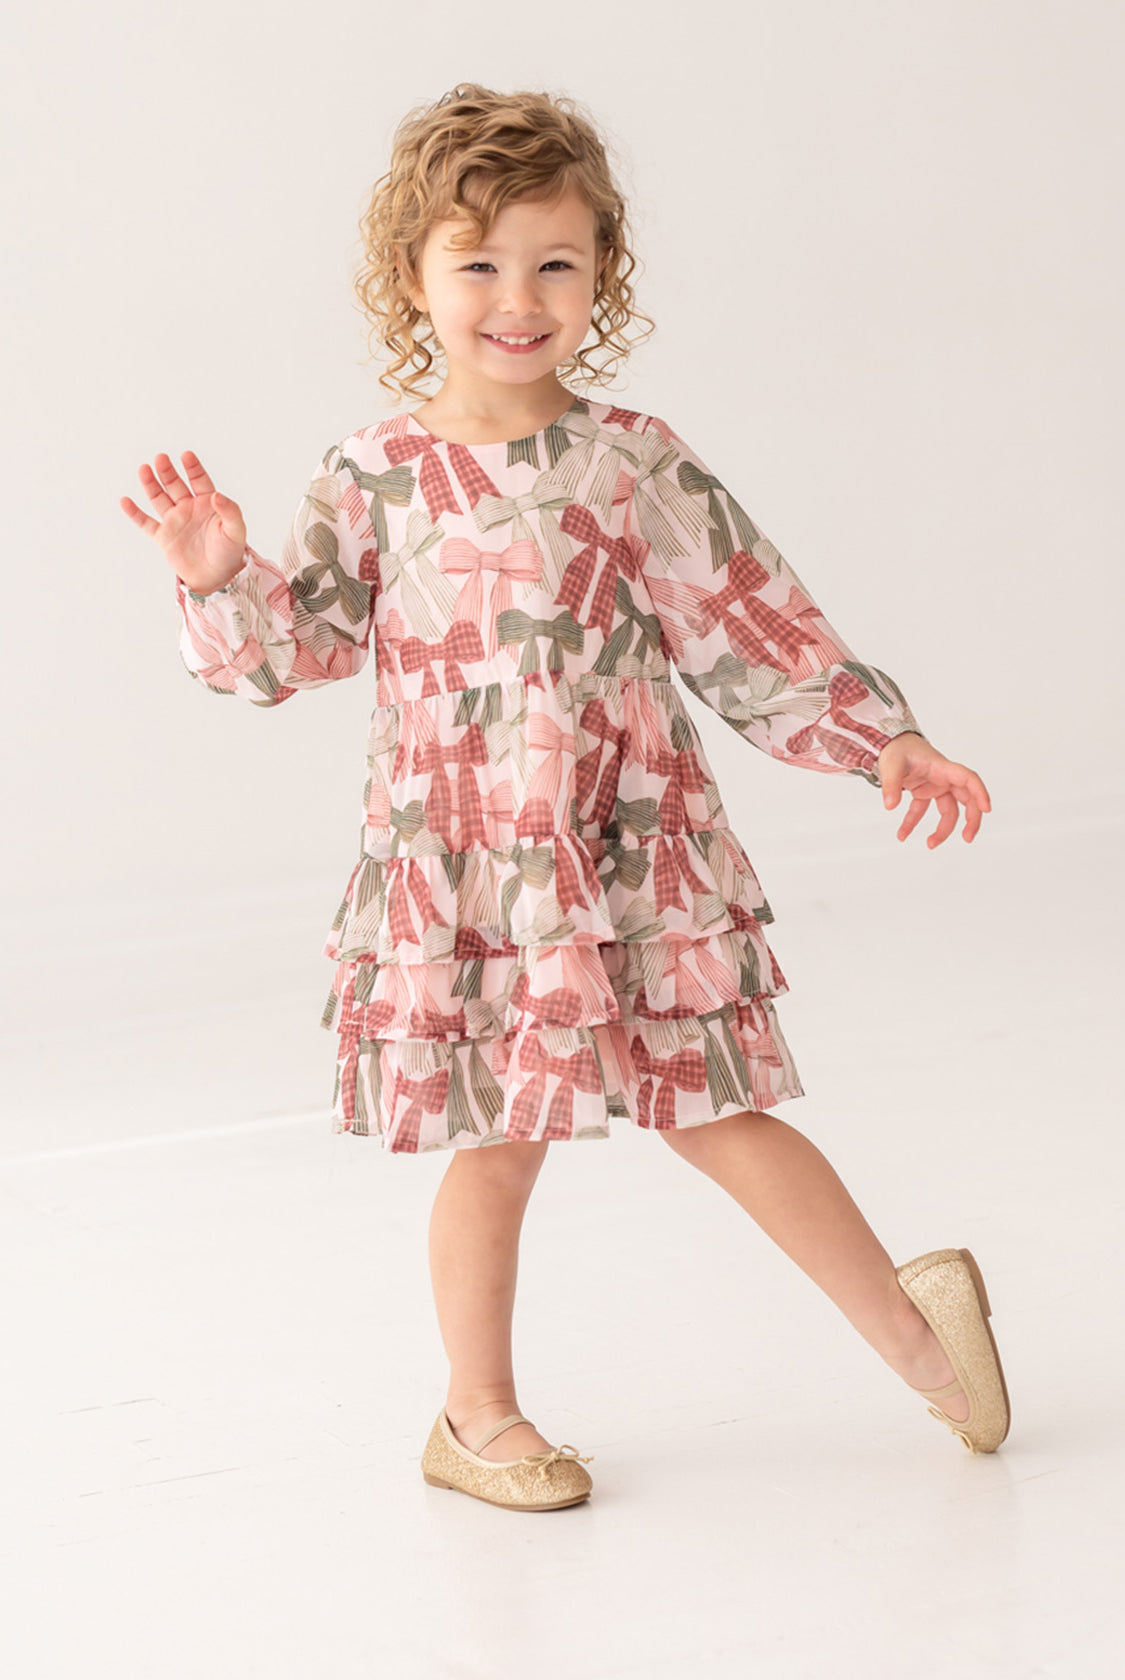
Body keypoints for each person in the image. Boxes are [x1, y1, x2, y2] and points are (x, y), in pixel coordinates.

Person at [119, 82, 1009, 1513]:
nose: (518, 299)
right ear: (410, 274)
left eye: (555, 263)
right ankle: (475, 1418)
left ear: (603, 273)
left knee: (719, 1110)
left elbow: (748, 621)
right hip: (474, 871)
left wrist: (882, 741)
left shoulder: (631, 460)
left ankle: (923, 1343)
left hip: (629, 850)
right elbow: (300, 651)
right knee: (498, 1139)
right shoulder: (373, 473)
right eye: (477, 263)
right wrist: (222, 577)